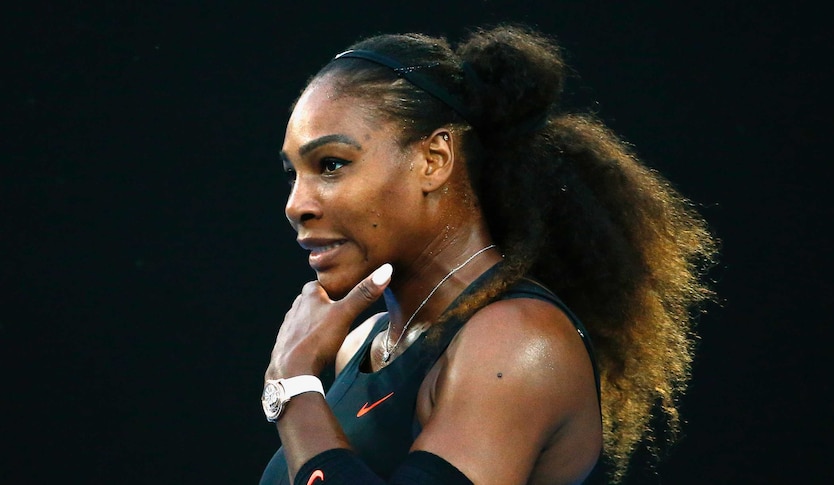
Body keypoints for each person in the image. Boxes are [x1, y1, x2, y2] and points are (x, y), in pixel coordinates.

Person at [259, 25, 717, 485]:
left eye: (331, 165)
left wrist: (294, 386)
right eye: (292, 173)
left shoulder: (517, 342)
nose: (297, 205)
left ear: (434, 159)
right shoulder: (358, 347)